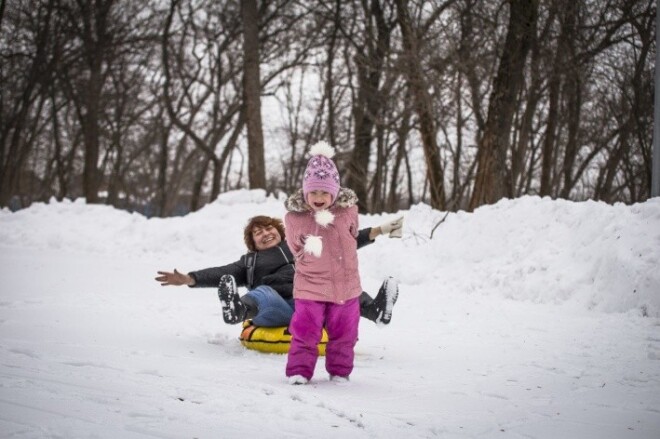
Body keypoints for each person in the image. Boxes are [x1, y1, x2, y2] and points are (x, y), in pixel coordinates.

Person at [155, 214, 402, 328]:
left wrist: (379, 230)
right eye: (258, 232)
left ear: (279, 231)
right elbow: (222, 272)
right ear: (252, 242)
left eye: (268, 228)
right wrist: (190, 278)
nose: (265, 233)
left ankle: (376, 311)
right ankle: (237, 310)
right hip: (278, 308)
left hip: (312, 304)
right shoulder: (249, 262)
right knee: (263, 293)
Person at [283, 140, 367, 384]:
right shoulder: (295, 217)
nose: (319, 197)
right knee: (305, 332)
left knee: (346, 333)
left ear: (335, 191)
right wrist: (308, 250)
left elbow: (352, 237)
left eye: (324, 192)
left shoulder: (349, 212)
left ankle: (340, 371)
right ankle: (299, 370)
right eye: (314, 192)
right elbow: (294, 248)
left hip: (346, 286)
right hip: (310, 287)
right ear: (305, 191)